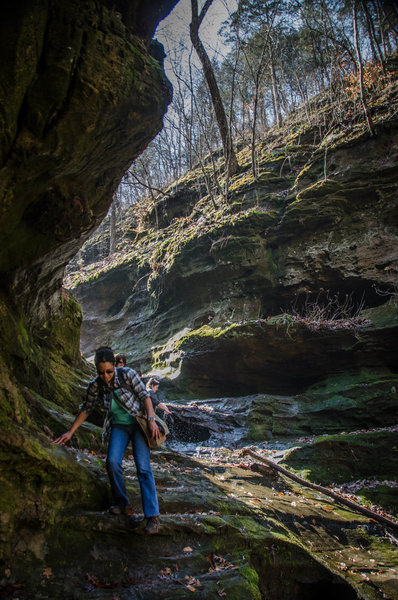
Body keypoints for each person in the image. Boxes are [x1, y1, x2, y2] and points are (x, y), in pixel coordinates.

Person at [54, 346, 161, 534]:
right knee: (112, 462)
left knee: (143, 468)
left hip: (138, 425)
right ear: (97, 369)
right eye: (101, 372)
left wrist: (151, 420)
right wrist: (70, 432)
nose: (106, 376)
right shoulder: (96, 385)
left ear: (114, 366)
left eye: (109, 371)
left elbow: (145, 397)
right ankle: (122, 502)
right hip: (118, 427)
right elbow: (86, 408)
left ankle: (152, 516)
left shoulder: (127, 375)